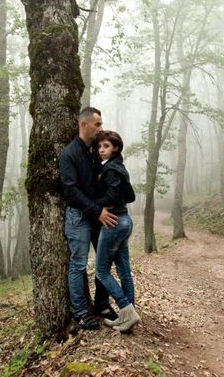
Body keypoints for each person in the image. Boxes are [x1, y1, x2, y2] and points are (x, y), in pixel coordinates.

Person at [59, 107, 119, 330]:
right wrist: (98, 211)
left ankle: (102, 305)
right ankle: (82, 312)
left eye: (101, 124)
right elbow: (71, 192)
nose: (101, 128)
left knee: (104, 261)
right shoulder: (69, 154)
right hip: (79, 217)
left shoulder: (96, 150)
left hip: (98, 214)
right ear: (84, 125)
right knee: (78, 265)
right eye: (98, 124)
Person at [93, 130, 141, 332]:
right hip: (125, 221)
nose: (101, 150)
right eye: (99, 147)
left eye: (106, 146)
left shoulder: (111, 169)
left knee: (102, 271)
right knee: (123, 271)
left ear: (116, 148)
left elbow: (113, 197)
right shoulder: (119, 167)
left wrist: (93, 204)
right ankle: (128, 316)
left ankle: (126, 309)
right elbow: (129, 196)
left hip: (113, 223)